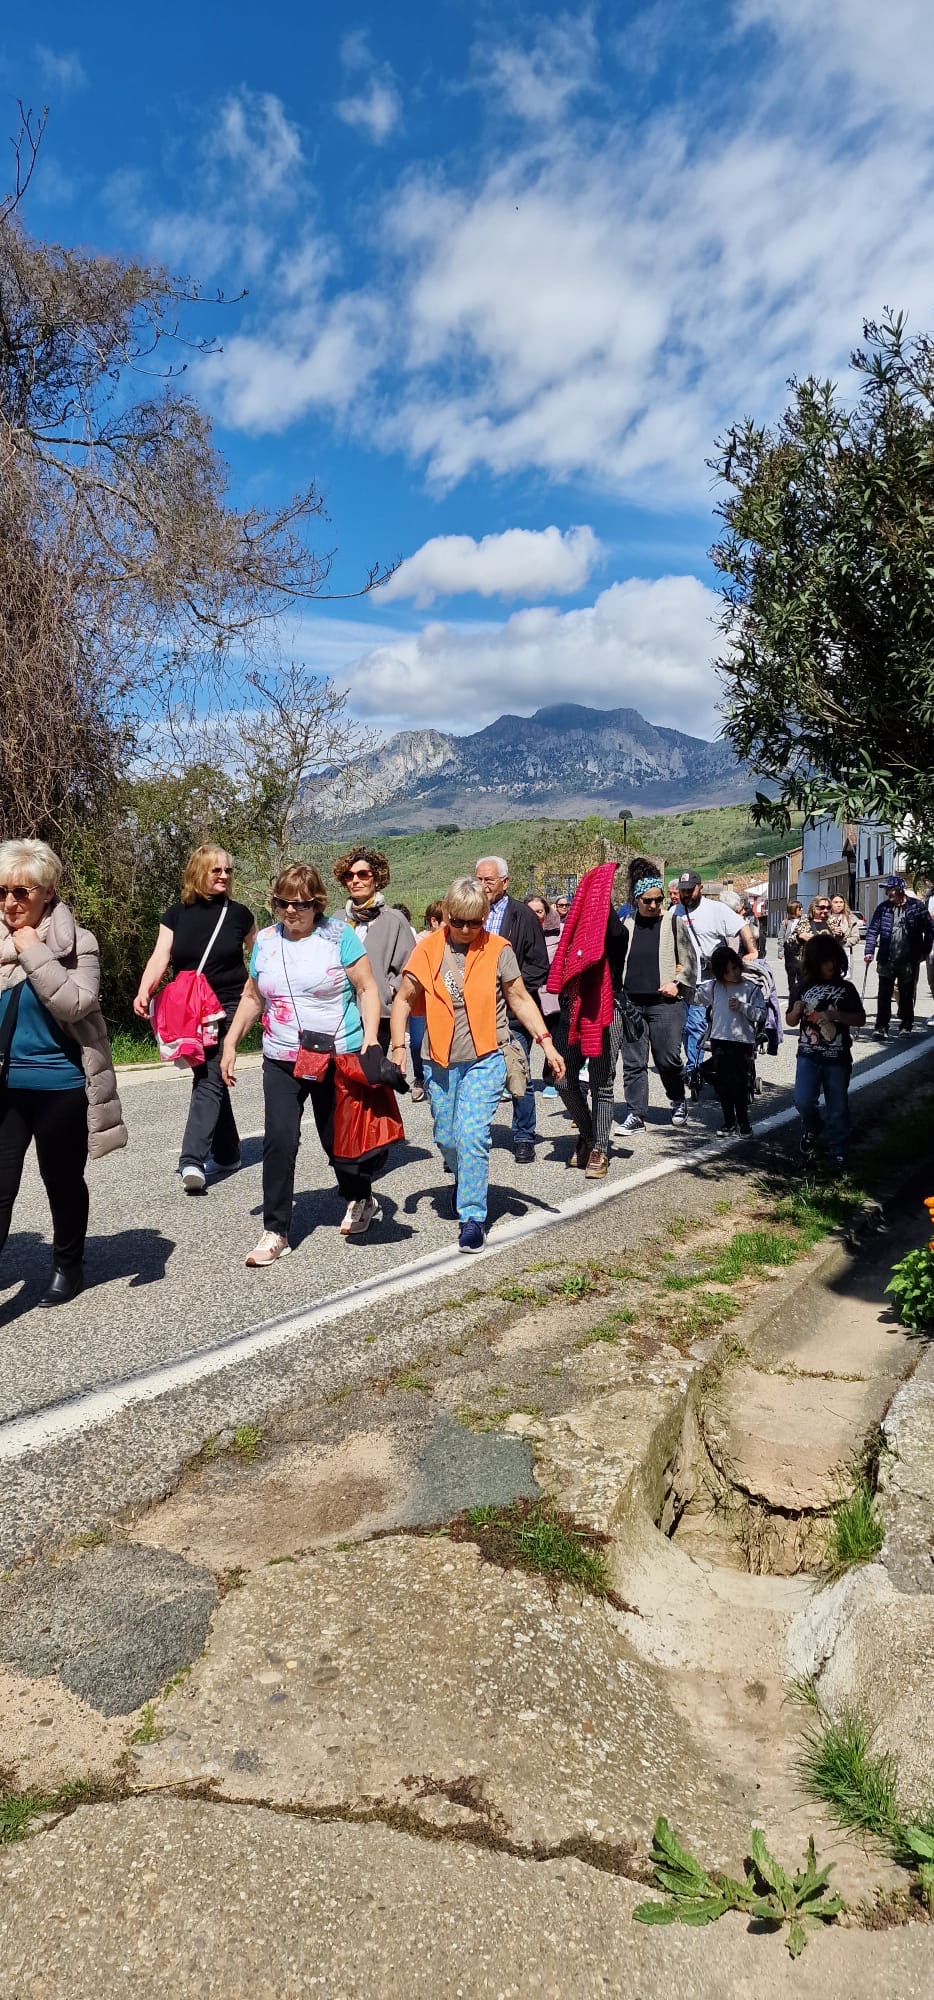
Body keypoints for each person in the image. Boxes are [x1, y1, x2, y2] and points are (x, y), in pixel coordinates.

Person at [389, 877, 564, 1252]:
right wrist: (399, 1046)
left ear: (485, 917)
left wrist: (546, 1044)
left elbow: (519, 998)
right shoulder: (428, 950)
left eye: (475, 922)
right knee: (447, 1137)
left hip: (487, 1057)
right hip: (439, 1061)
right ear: (446, 915)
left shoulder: (498, 949)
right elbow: (403, 999)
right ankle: (462, 1174)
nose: (467, 930)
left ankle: (472, 1217)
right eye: (459, 922)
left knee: (471, 1135)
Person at [220, 862, 383, 1264]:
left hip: (337, 1054)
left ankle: (361, 1196)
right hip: (281, 1057)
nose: (291, 911)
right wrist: (231, 1043)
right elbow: (253, 996)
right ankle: (276, 1230)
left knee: (338, 1142)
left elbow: (367, 988)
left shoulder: (339, 936)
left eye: (301, 904)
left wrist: (372, 1039)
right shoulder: (266, 941)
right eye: (283, 903)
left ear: (318, 903)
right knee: (279, 1140)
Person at [0, 839, 127, 1304]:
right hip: (5, 1088)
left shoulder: (78, 943)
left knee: (62, 1181)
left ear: (48, 891)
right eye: (1, 892)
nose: (10, 903)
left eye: (21, 892)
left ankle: (68, 1264)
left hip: (61, 1086)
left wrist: (33, 951)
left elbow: (75, 1004)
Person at [133, 846, 256, 1193]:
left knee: (208, 1073)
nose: (224, 876)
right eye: (216, 870)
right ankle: (228, 1153)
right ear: (198, 872)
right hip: (190, 1008)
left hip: (228, 1005)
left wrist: (260, 998)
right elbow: (161, 956)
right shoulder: (175, 914)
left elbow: (262, 958)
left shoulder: (240, 915)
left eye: (228, 870)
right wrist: (145, 989)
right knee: (210, 1073)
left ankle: (192, 1159)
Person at [547, 861, 633, 1176]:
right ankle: (587, 1133)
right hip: (573, 1009)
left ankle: (600, 1149)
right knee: (562, 1079)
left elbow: (611, 935)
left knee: (601, 1084)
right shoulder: (573, 932)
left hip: (606, 1010)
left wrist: (601, 902)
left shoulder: (617, 931)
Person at [474, 854, 550, 1165]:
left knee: (519, 1073)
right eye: (479, 879)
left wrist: (509, 988)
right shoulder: (469, 913)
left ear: (504, 883)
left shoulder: (523, 916)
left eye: (489, 880)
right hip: (475, 1012)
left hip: (513, 1013)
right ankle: (471, 1136)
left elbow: (538, 966)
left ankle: (523, 1136)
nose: (483, 885)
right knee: (474, 1076)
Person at [615, 873, 694, 1134]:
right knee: (633, 1062)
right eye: (648, 900)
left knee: (667, 1058)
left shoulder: (673, 922)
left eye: (658, 900)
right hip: (632, 1003)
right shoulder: (625, 923)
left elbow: (690, 962)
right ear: (637, 900)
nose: (654, 905)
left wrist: (677, 983)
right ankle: (636, 1114)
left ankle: (678, 1099)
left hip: (665, 1003)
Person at [787, 936, 866, 1168]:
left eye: (833, 960)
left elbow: (860, 1018)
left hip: (838, 1057)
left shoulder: (846, 988)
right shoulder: (802, 987)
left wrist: (835, 1015)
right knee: (802, 1100)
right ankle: (812, 1126)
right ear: (814, 963)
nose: (830, 965)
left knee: (838, 1106)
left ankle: (839, 1150)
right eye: (824, 961)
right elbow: (790, 1020)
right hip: (808, 1055)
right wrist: (795, 1011)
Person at [674, 870, 757, 1088]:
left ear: (700, 888)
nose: (686, 894)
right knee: (684, 1028)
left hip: (708, 980)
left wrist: (752, 951)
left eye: (690, 890)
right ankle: (694, 1065)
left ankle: (693, 1070)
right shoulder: (675, 912)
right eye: (682, 891)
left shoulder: (715, 909)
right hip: (683, 980)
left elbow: (742, 926)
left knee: (696, 1026)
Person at [332, 847, 415, 1051]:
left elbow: (411, 965)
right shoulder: (337, 919)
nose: (355, 880)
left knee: (369, 1069)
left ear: (376, 878)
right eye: (349, 875)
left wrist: (390, 989)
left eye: (362, 874)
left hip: (378, 1014)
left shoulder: (394, 920)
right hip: (340, 1012)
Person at [694, 946, 769, 1139]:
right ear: (720, 973)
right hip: (719, 1040)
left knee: (740, 1084)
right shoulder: (714, 987)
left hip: (742, 1041)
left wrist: (743, 1007)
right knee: (723, 1084)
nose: (733, 973)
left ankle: (744, 1122)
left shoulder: (751, 988)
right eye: (727, 971)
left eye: (735, 968)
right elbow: (695, 997)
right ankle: (729, 1122)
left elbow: (762, 1015)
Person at [864, 875, 934, 1039]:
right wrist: (869, 951)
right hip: (886, 958)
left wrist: (924, 951)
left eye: (891, 889)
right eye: (887, 889)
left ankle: (906, 1025)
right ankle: (881, 1027)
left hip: (909, 959)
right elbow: (873, 930)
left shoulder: (916, 907)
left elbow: (929, 930)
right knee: (884, 994)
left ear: (900, 890)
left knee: (906, 994)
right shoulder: (883, 908)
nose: (887, 892)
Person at [526, 895, 560, 1099]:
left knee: (552, 1039)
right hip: (525, 993)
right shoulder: (519, 932)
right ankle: (518, 1079)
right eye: (531, 911)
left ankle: (551, 1079)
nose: (536, 915)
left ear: (546, 913)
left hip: (550, 993)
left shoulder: (559, 933)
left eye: (539, 911)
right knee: (521, 1040)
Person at [828, 895, 860, 969]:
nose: (839, 905)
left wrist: (843, 941)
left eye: (841, 902)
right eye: (836, 902)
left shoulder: (850, 919)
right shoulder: (825, 917)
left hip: (845, 952)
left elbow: (856, 937)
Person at [778, 900, 803, 991]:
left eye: (801, 908)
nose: (802, 910)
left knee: (802, 972)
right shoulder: (786, 922)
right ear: (793, 910)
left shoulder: (804, 921)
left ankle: (801, 991)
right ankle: (792, 991)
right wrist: (780, 952)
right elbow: (781, 937)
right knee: (791, 972)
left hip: (801, 949)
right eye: (799, 908)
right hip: (789, 949)